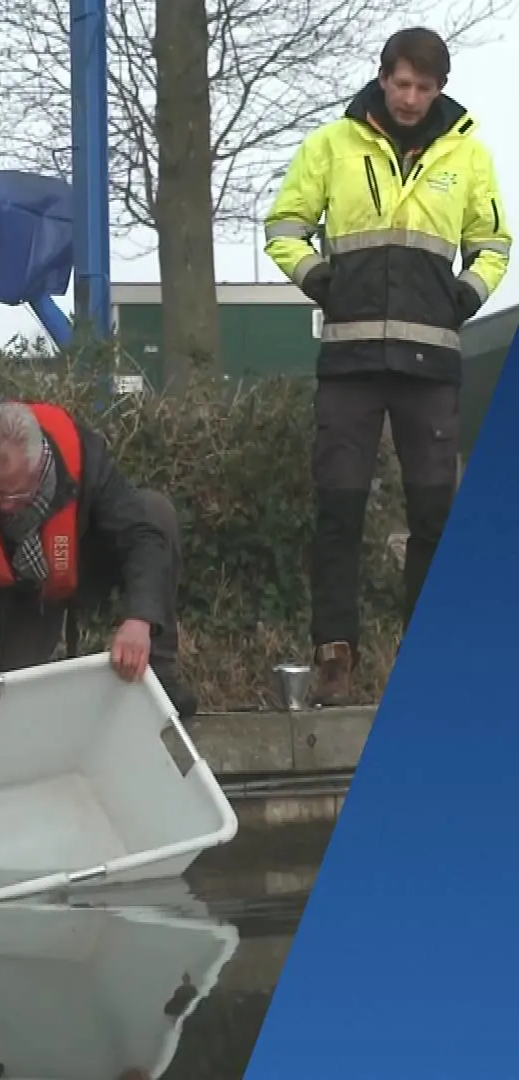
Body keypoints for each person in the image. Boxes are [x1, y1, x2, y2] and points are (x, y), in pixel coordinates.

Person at [262, 26, 509, 705]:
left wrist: (465, 296)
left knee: (435, 516)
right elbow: (283, 225)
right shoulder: (329, 145)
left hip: (432, 362)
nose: (410, 97)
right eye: (402, 83)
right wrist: (319, 280)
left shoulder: (471, 156)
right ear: (383, 76)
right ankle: (334, 660)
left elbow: (493, 245)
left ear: (439, 89)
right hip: (351, 359)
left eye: (424, 87)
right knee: (338, 510)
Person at [0, 400, 199, 718]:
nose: (4, 506)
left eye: (15, 493)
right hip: (8, 591)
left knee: (155, 512)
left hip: (78, 555)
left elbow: (139, 536)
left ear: (39, 461)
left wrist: (140, 618)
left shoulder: (82, 454)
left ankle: (158, 677)